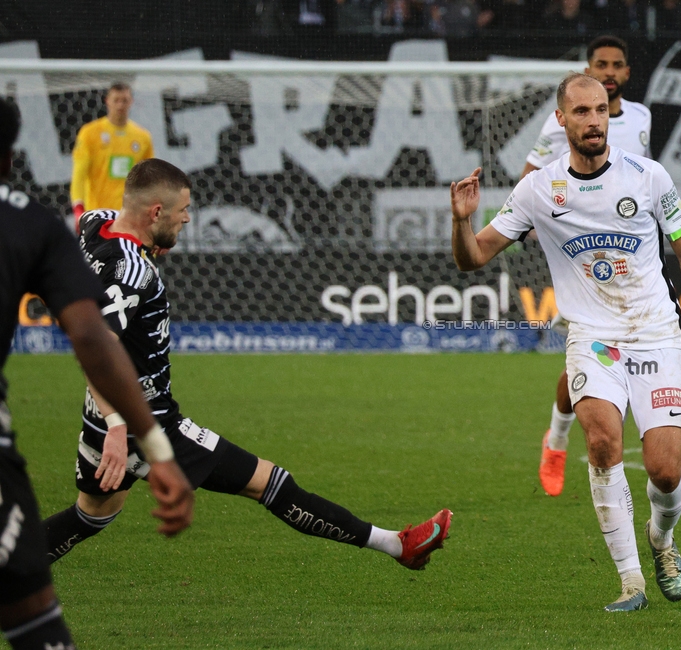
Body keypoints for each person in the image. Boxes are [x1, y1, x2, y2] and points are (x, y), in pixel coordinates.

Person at [44, 158, 452, 572]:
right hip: (144, 423)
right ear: (155, 212)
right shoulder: (131, 271)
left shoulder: (95, 223)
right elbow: (95, 349)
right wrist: (118, 427)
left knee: (90, 516)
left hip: (99, 415)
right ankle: (400, 546)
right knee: (271, 483)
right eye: (183, 210)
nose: (187, 218)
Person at [451, 73, 681, 611]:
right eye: (581, 112)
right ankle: (631, 583)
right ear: (561, 121)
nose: (594, 120)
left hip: (655, 336)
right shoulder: (537, 190)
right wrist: (462, 223)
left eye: (600, 110)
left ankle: (661, 540)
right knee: (602, 443)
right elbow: (473, 257)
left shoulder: (649, 177)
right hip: (594, 340)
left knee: (667, 472)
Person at [0, 99, 193, 650]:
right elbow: (91, 337)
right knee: (28, 596)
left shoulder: (87, 223)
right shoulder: (29, 224)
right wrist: (139, 438)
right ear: (11, 156)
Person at [523, 36, 681, 499]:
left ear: (626, 73)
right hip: (582, 262)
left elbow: (639, 176)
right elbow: (531, 179)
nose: (609, 71)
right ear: (588, 67)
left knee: (647, 352)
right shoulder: (560, 120)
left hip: (637, 264)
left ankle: (668, 455)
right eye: (600, 64)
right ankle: (557, 440)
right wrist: (541, 226)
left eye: (617, 65)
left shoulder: (640, 117)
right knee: (588, 356)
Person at [70, 82, 154, 231]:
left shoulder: (142, 137)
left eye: (125, 100)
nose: (120, 105)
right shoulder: (90, 133)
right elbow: (79, 175)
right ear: (107, 101)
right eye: (116, 100)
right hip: (97, 217)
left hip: (129, 218)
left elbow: (148, 181)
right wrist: (78, 209)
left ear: (131, 102)